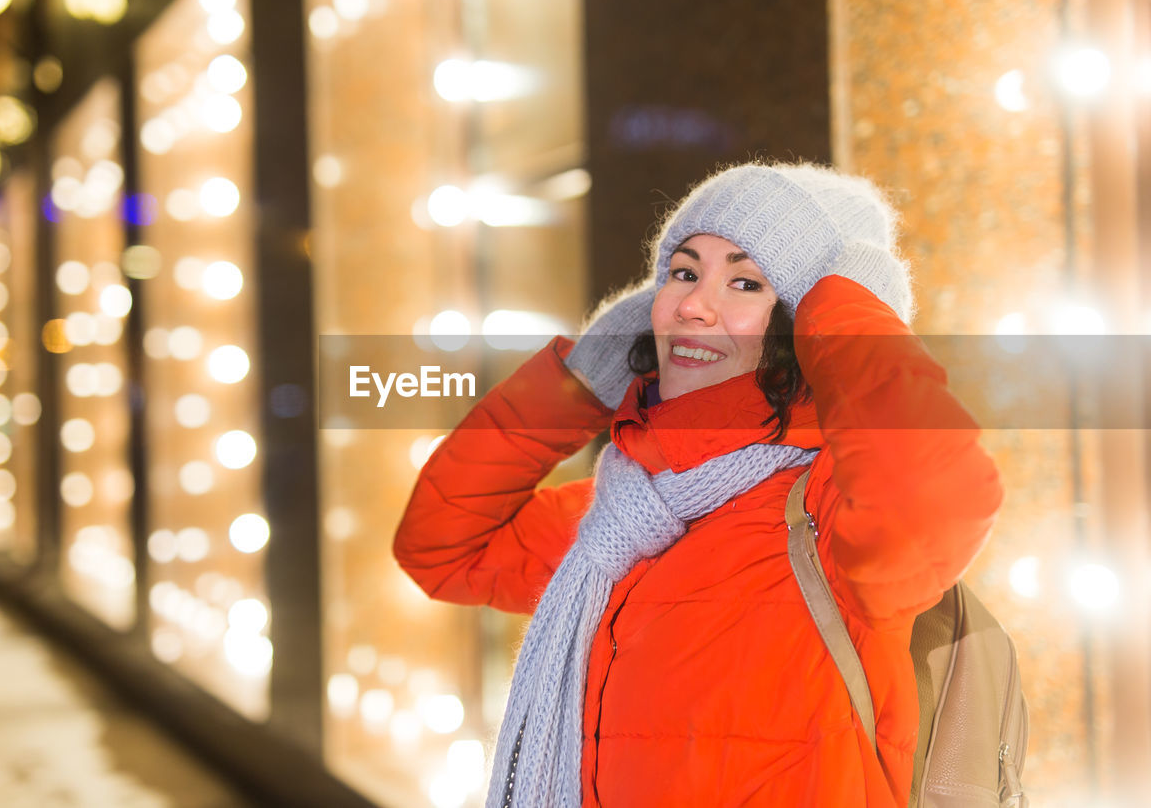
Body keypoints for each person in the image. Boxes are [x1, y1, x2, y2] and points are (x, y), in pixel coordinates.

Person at [393, 161, 1002, 807]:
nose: (691, 305)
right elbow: (442, 545)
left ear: (806, 329)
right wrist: (579, 384)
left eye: (746, 281)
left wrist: (840, 302)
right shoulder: (626, 519)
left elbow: (936, 490)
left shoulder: (830, 521)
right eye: (683, 272)